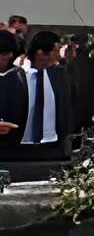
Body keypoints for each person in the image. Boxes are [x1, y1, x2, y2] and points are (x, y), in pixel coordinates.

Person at [0, 29, 71, 163]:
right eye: (56, 51)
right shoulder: (13, 76)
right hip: (15, 149)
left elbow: (66, 108)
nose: (59, 56)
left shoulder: (60, 76)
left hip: (52, 148)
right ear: (40, 53)